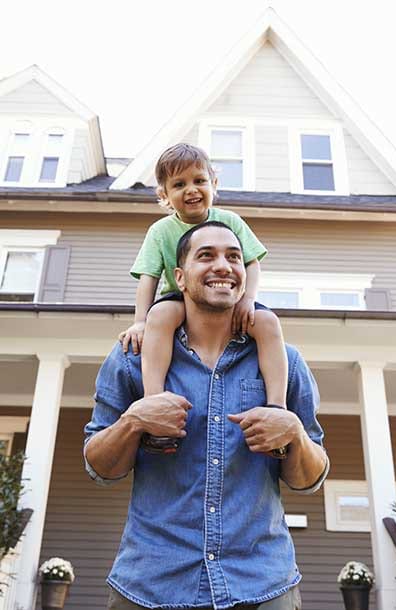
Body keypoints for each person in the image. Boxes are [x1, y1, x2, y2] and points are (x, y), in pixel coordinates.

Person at [84, 222, 329, 610]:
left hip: (262, 585)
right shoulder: (133, 358)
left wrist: (294, 434)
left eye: (234, 257)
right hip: (150, 586)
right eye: (206, 255)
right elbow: (99, 466)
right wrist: (134, 421)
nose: (223, 265)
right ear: (179, 277)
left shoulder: (284, 361)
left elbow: (310, 478)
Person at [119, 143, 288, 428]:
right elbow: (148, 277)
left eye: (199, 181)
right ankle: (154, 399)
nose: (191, 190)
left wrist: (248, 299)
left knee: (268, 322)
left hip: (228, 296)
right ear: (164, 194)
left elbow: (251, 263)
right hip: (179, 297)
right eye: (179, 184)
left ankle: (277, 405)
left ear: (214, 184)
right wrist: (139, 322)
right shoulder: (160, 231)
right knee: (159, 317)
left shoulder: (230, 221)